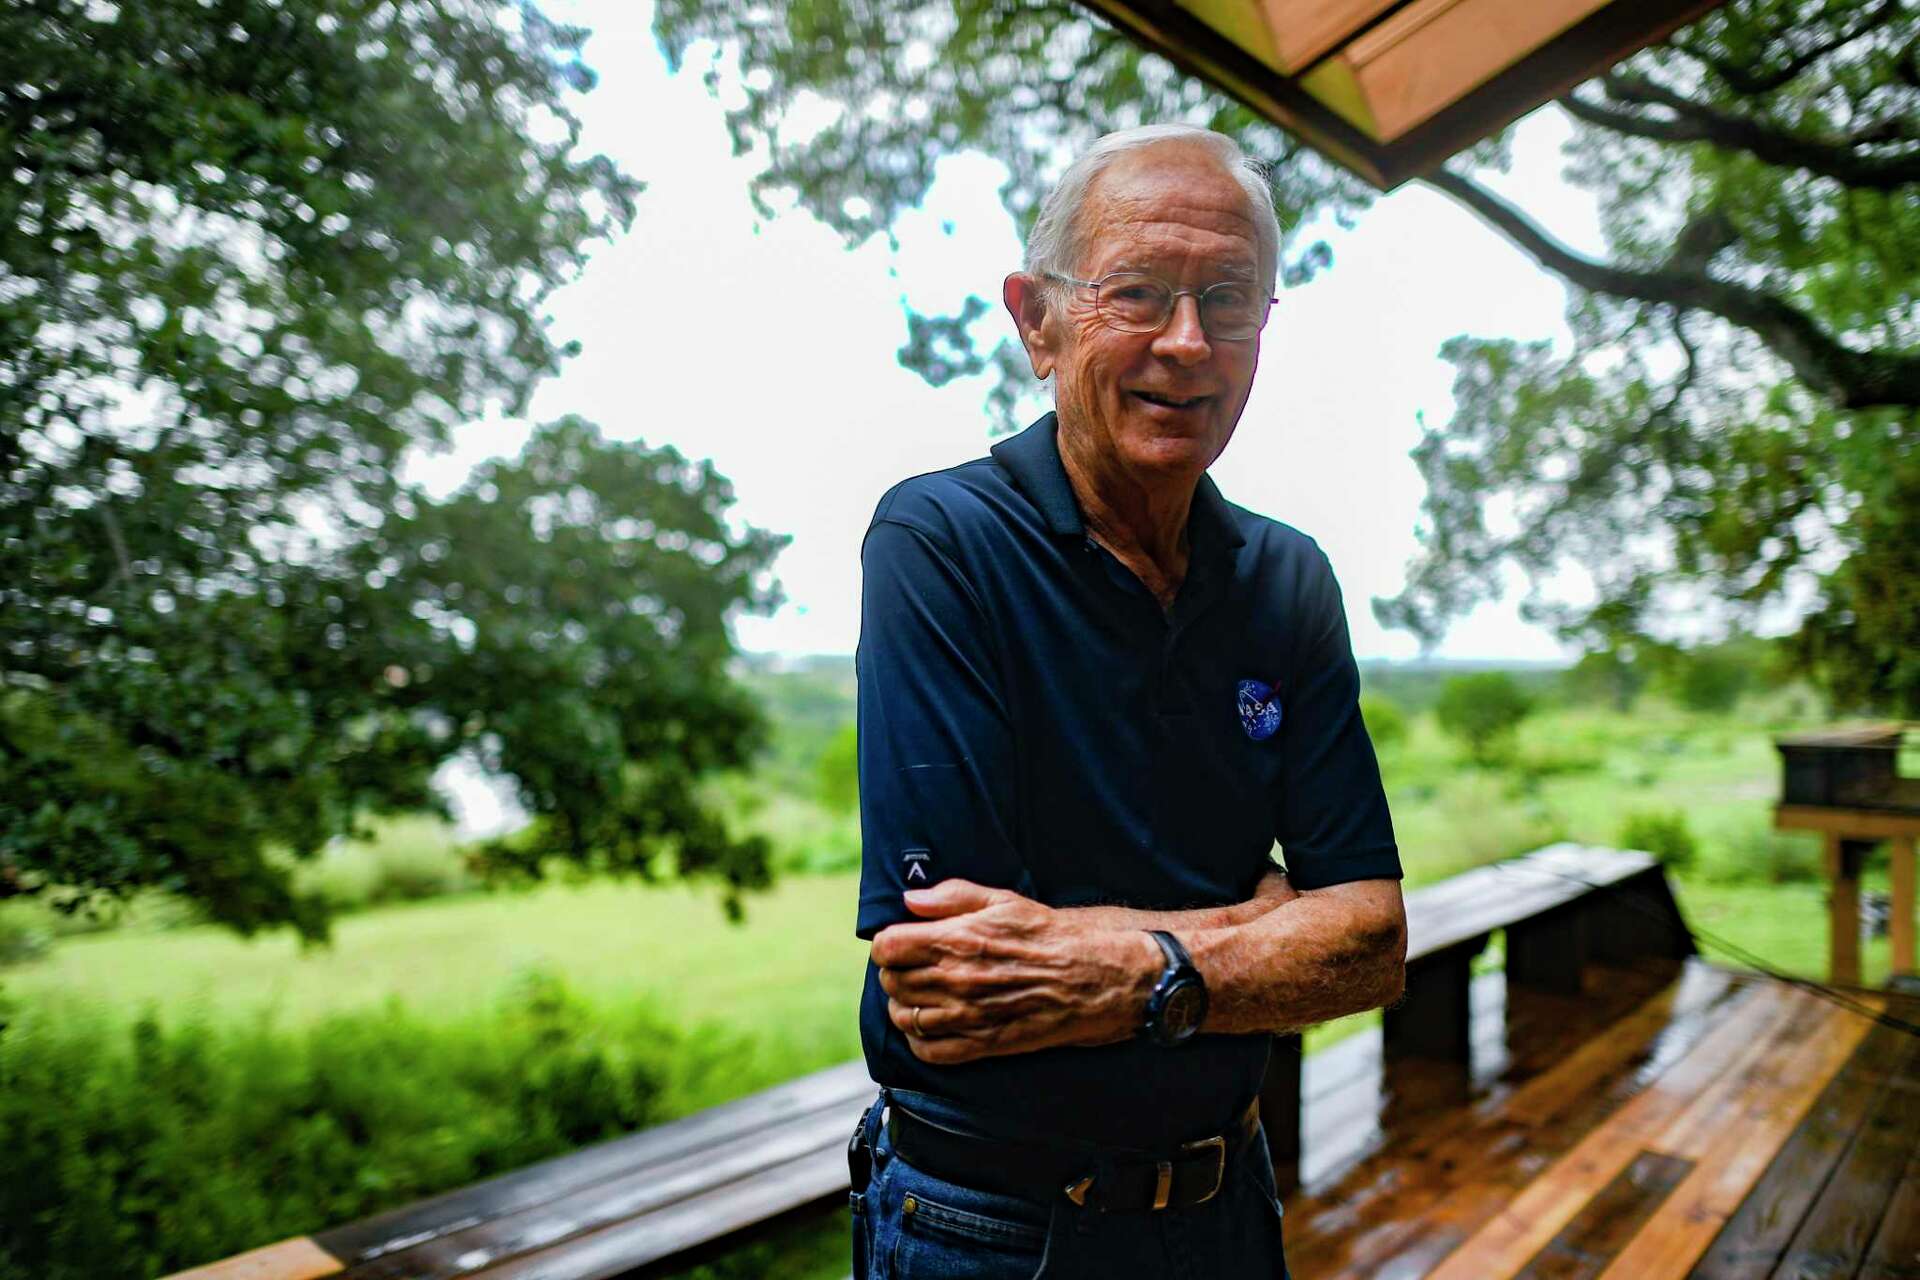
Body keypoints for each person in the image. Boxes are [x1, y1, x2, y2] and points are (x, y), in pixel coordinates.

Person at [848, 123, 1407, 1279]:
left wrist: (1125, 967)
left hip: (1230, 1202)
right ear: (1036, 320)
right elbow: (948, 979)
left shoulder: (1286, 576)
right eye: (1139, 291)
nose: (1189, 342)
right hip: (993, 1228)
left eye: (1231, 299)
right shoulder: (941, 541)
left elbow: (1371, 941)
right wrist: (1260, 921)